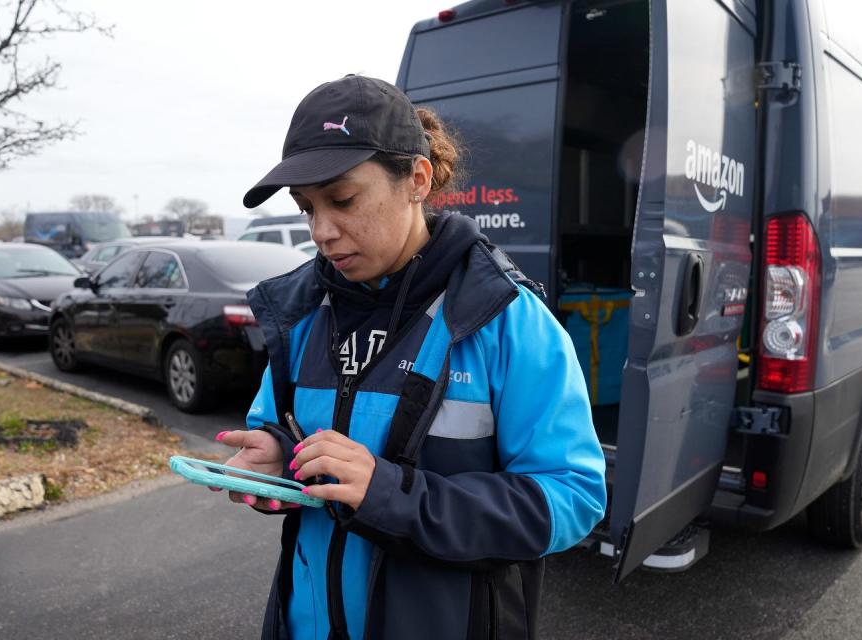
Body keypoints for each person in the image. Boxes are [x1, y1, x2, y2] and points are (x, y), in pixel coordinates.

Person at [215, 74, 606, 640]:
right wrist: (275, 462)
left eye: (343, 200)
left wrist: (394, 496)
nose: (322, 231)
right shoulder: (299, 313)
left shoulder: (503, 317)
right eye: (307, 208)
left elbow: (573, 496)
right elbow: (282, 436)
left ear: (416, 180)